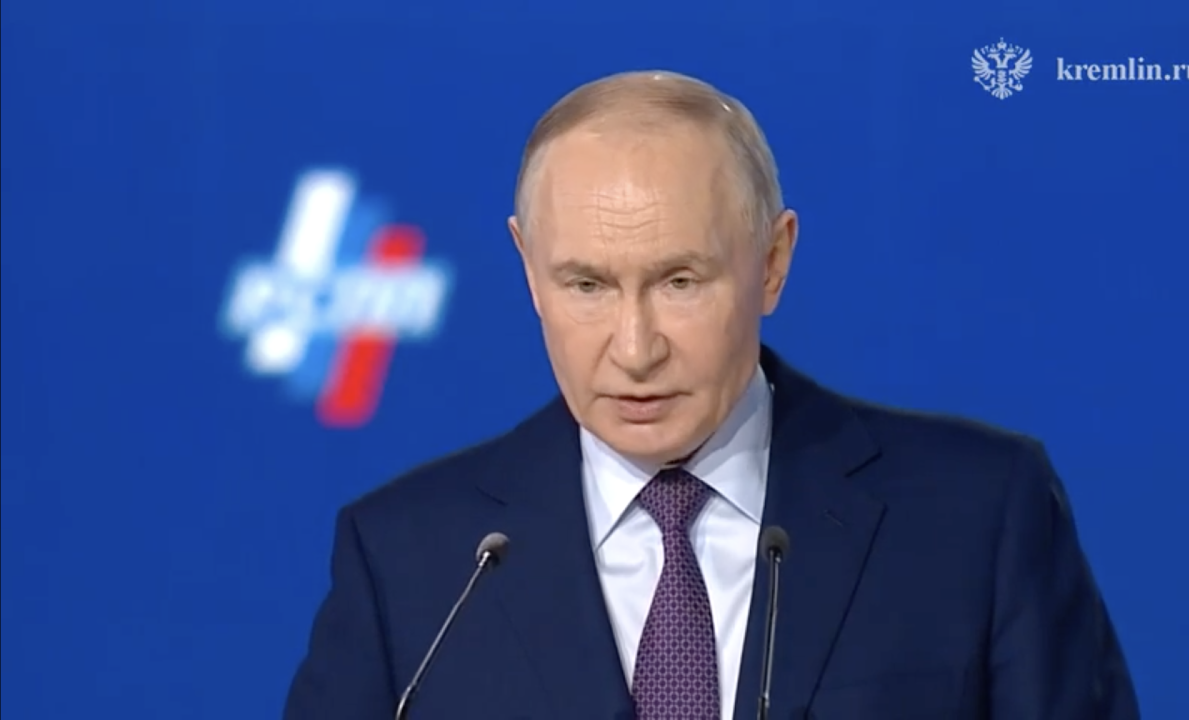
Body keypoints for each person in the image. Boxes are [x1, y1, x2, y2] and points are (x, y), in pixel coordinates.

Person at [282, 70, 1141, 720]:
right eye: (586, 285)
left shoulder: (978, 515)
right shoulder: (412, 564)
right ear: (528, 271)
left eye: (680, 281)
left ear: (772, 262)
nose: (634, 348)